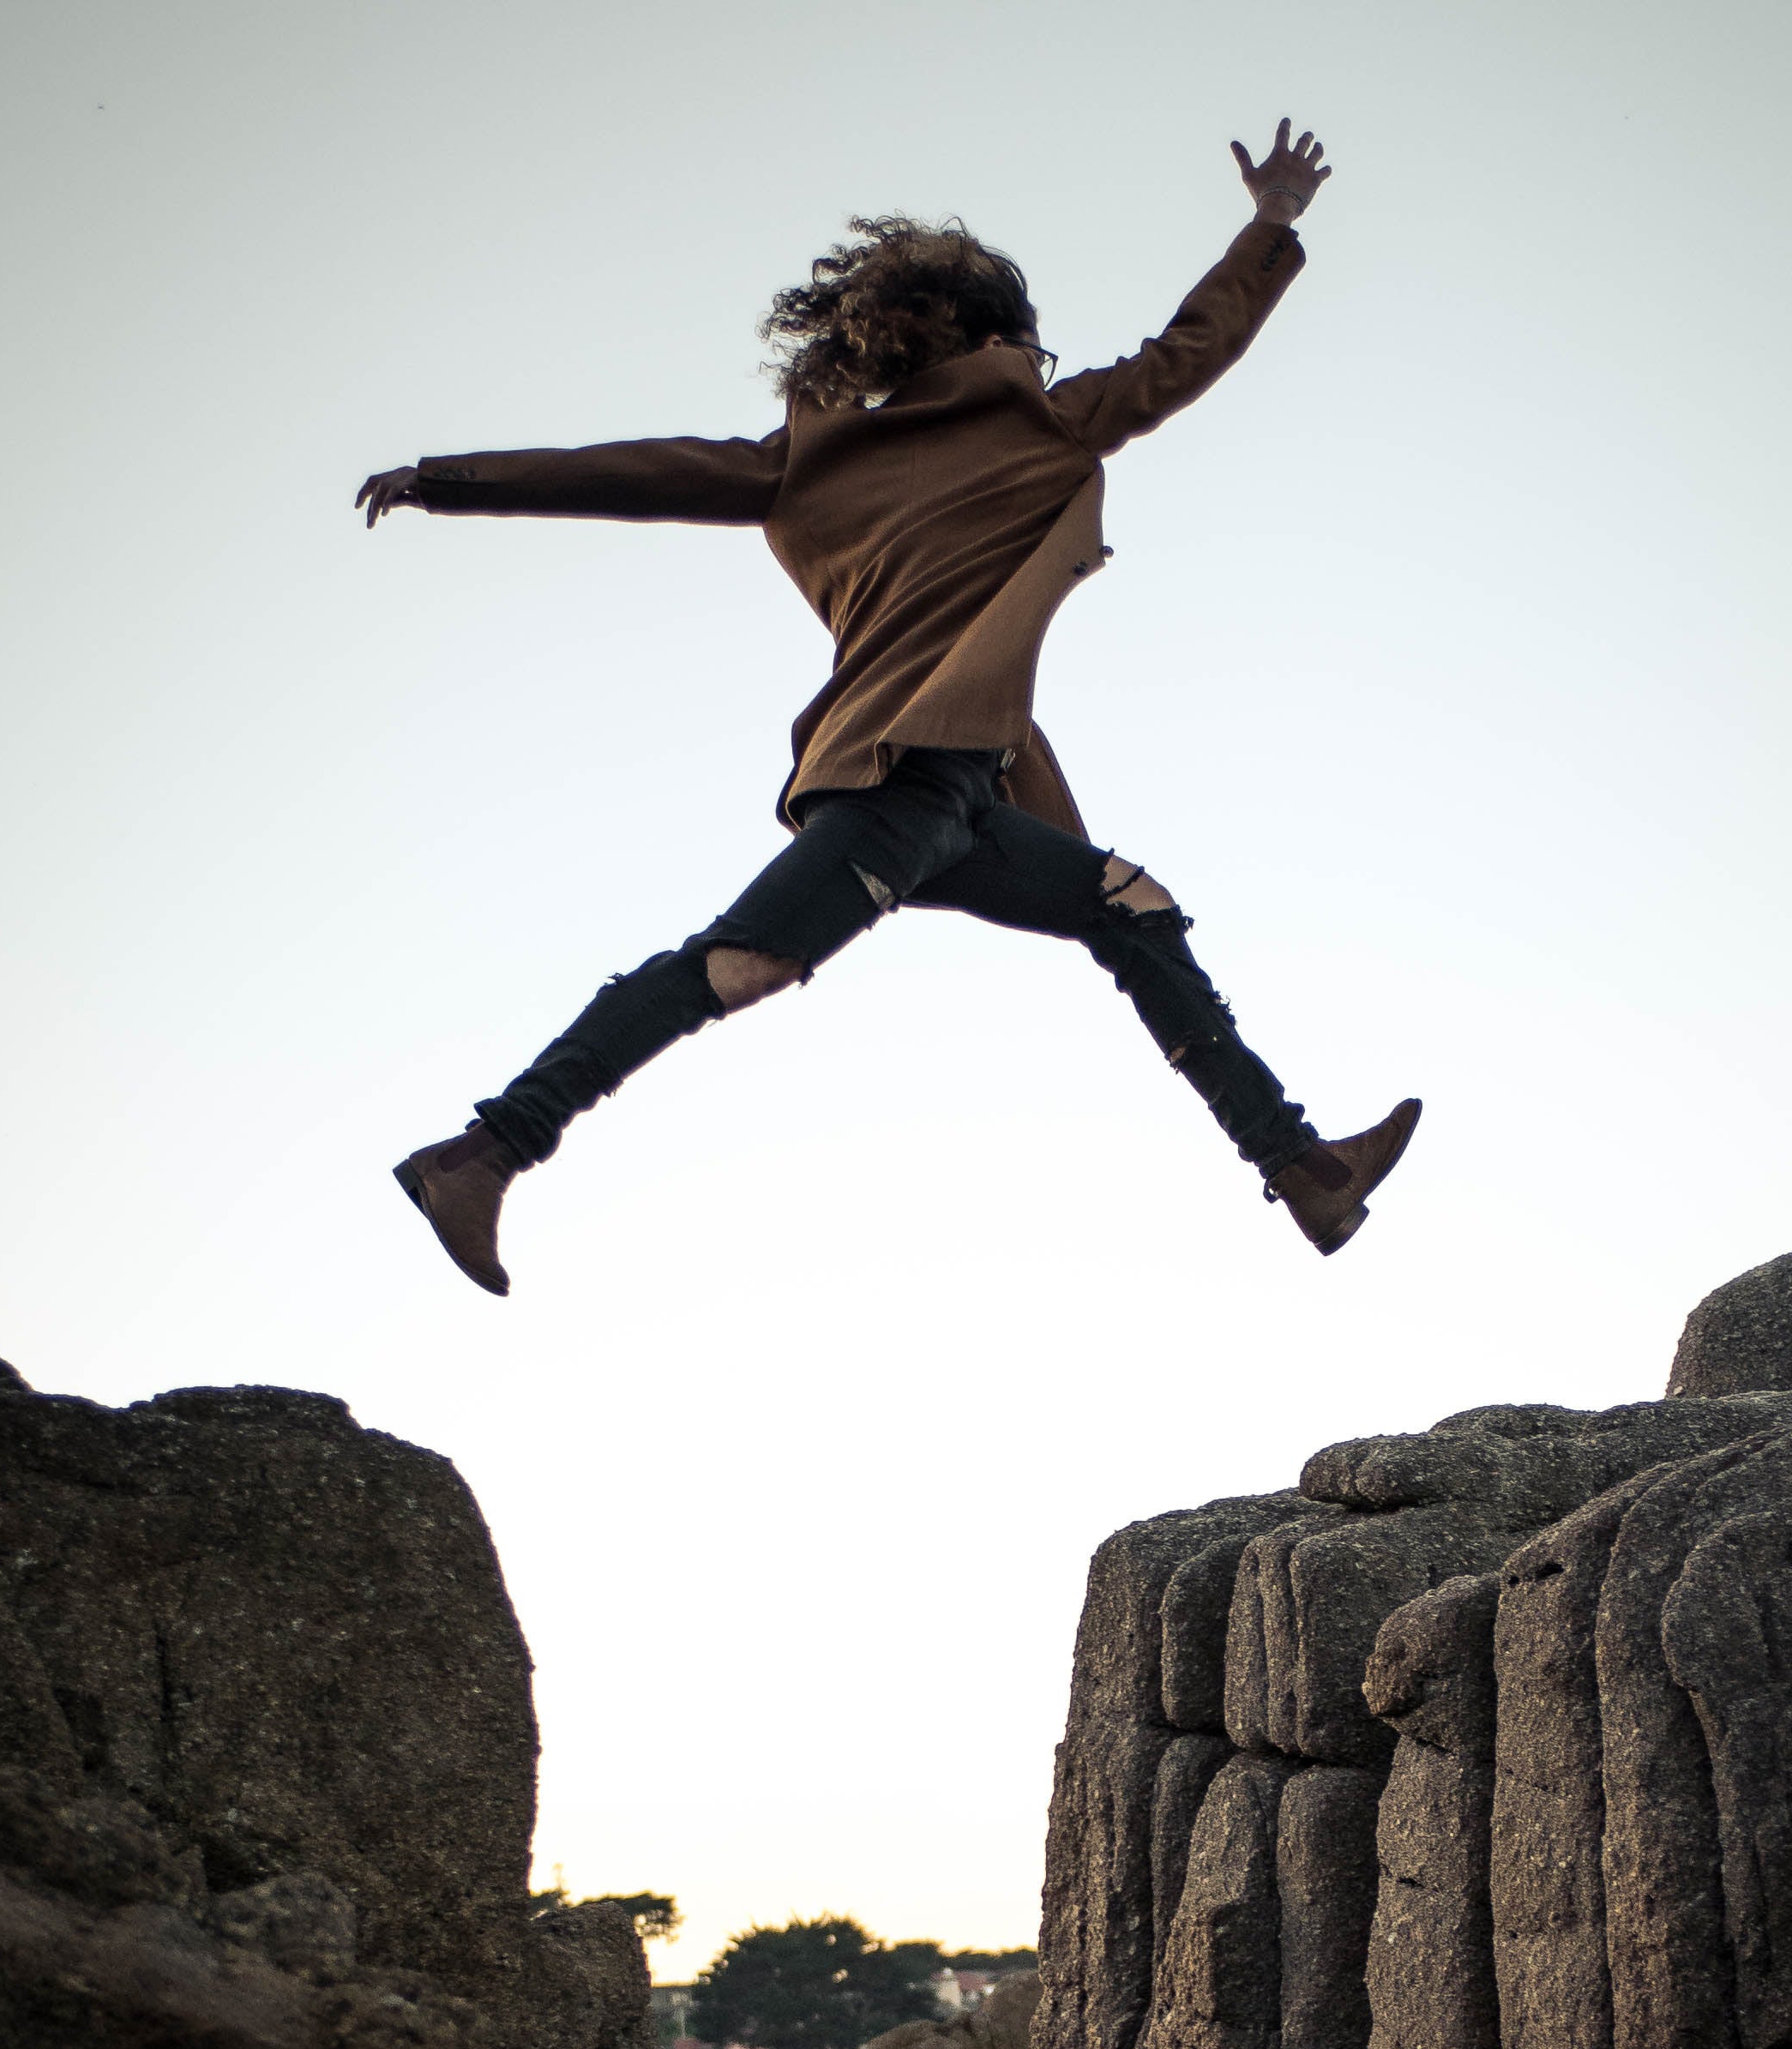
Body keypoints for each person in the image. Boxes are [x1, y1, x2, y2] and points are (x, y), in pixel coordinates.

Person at [359, 120, 1417, 1296]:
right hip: (897, 781)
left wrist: (450, 481)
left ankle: (1303, 1168)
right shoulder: (1040, 420)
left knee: (1130, 907)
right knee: (740, 963)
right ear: (995, 336)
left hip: (964, 792)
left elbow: (632, 467)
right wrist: (1269, 227)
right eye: (1027, 335)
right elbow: (1186, 354)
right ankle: (489, 1151)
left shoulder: (810, 459)